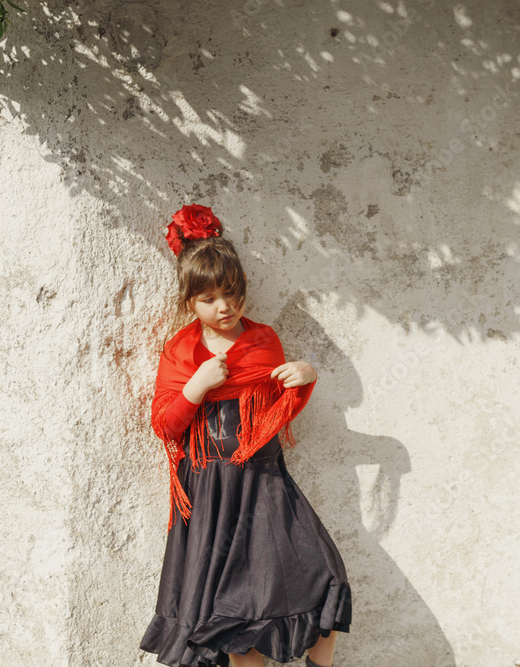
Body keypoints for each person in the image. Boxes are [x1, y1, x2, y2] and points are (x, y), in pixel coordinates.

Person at [140, 204, 352, 667]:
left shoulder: (263, 341)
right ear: (189, 303)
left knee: (325, 574)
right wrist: (197, 386)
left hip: (264, 483)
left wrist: (304, 375)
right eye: (210, 298)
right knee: (232, 619)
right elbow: (165, 425)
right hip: (211, 495)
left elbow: (276, 415)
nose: (225, 306)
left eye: (232, 293)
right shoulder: (181, 352)